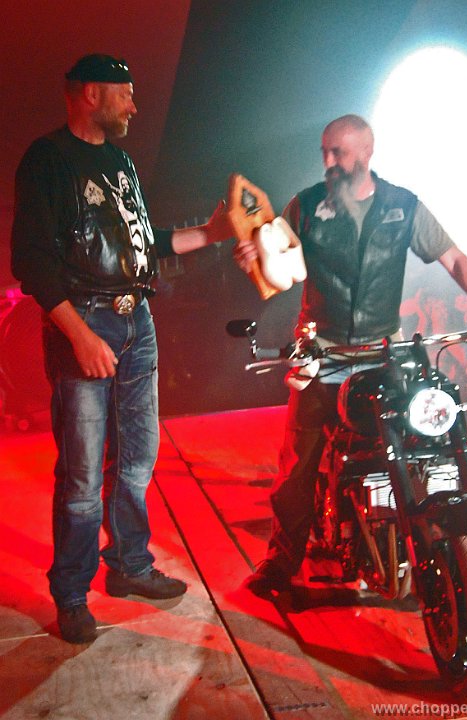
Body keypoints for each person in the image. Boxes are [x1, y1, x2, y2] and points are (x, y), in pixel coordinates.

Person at [233, 113, 467, 598]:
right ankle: (281, 561)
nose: (329, 162)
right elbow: (277, 264)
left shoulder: (403, 207)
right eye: (325, 152)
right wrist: (254, 259)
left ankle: (420, 536)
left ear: (367, 153)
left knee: (419, 438)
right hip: (324, 355)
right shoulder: (305, 206)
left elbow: (453, 256)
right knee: (297, 465)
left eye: (339, 153)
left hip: (385, 353)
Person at [10, 54, 230, 643]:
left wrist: (210, 234)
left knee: (138, 457)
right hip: (84, 320)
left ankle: (130, 565)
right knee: (82, 474)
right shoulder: (48, 159)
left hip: (138, 323)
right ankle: (72, 593)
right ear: (90, 94)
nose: (134, 105)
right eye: (125, 93)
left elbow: (145, 244)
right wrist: (79, 335)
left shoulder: (122, 162)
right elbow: (31, 262)